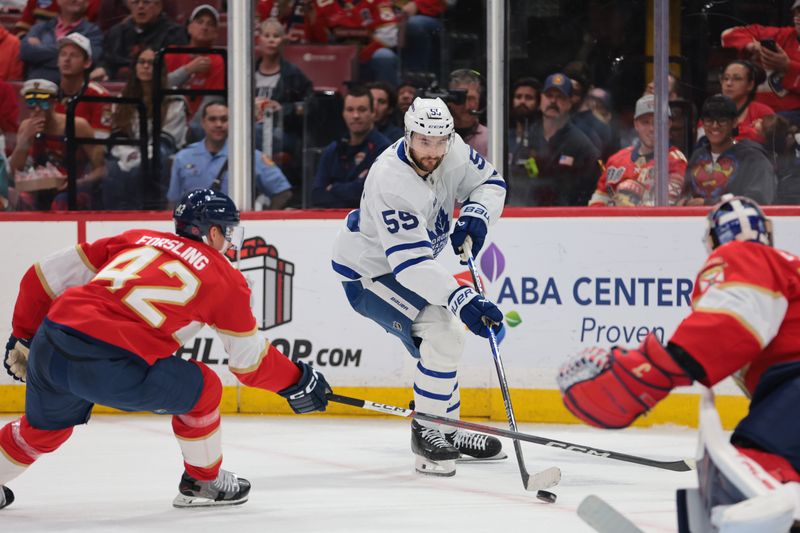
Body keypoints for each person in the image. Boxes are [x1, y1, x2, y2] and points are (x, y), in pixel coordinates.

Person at [0, 188, 332, 510]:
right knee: (204, 388)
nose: (230, 241)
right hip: (107, 364)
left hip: (51, 340)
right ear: (212, 232)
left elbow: (41, 276)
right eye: (228, 232)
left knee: (42, 431)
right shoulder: (225, 279)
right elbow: (251, 365)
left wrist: (24, 335)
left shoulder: (135, 239)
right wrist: (298, 380)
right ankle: (203, 481)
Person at [557, 194, 800, 527]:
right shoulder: (789, 267)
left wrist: (658, 368)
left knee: (752, 477)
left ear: (714, 239)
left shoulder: (745, 256)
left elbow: (735, 314)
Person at [330, 97, 507, 477]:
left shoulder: (452, 149)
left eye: (440, 141)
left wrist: (477, 215)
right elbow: (410, 266)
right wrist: (462, 298)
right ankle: (428, 433)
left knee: (448, 336)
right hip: (371, 274)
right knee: (444, 331)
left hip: (408, 266)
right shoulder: (391, 181)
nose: (432, 151)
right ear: (408, 135)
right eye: (423, 141)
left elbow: (491, 183)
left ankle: (449, 429)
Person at [167, 101, 293, 209]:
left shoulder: (249, 156)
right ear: (203, 123)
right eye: (212, 119)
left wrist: (263, 220)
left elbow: (283, 192)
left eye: (224, 119)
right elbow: (173, 201)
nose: (218, 125)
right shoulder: (183, 158)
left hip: (236, 230)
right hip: (193, 230)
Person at [104, 46, 188, 210]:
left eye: (151, 63)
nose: (145, 66)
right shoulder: (123, 99)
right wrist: (129, 156)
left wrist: (139, 156)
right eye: (141, 62)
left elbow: (167, 141)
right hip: (127, 154)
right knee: (111, 173)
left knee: (143, 170)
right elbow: (118, 136)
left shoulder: (174, 100)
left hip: (161, 153)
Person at [8, 78, 104, 210]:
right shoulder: (26, 127)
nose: (36, 109)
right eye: (31, 102)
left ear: (54, 103)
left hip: (75, 187)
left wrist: (77, 183)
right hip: (40, 187)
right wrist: (24, 141)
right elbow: (14, 172)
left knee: (61, 202)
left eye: (43, 103)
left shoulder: (77, 126)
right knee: (16, 197)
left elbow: (102, 169)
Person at [589, 94, 687, 206]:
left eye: (657, 122)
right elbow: (598, 201)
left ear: (668, 124)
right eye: (645, 122)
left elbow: (664, 206)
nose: (652, 129)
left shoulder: (675, 161)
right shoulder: (616, 160)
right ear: (636, 124)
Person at [685, 95, 776, 206]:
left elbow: (758, 199)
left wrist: (708, 203)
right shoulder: (698, 156)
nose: (714, 126)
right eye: (709, 120)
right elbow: (685, 195)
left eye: (721, 120)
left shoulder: (753, 157)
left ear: (734, 122)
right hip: (695, 222)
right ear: (702, 123)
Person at [527, 72, 601, 206]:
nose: (553, 101)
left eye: (560, 97)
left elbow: (592, 190)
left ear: (569, 103)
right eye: (549, 96)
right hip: (528, 214)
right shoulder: (528, 138)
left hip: (567, 218)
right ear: (541, 99)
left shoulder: (581, 144)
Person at [311, 87, 390, 208]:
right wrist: (355, 186)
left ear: (373, 113)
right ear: (343, 113)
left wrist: (334, 188)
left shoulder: (385, 150)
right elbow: (317, 195)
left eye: (362, 109)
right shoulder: (333, 150)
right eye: (350, 110)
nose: (356, 115)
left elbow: (371, 194)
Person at [721, 1, 800, 117]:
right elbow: (728, 34)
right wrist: (752, 46)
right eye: (798, 12)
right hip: (754, 115)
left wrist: (787, 66)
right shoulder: (781, 35)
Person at [92, 0, 187, 81]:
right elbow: (106, 61)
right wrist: (103, 69)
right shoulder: (116, 32)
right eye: (136, 2)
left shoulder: (174, 33)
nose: (140, 6)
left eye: (146, 2)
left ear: (158, 7)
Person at [165, 4, 225, 120]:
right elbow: (159, 86)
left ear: (216, 33)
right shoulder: (171, 54)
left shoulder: (218, 60)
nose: (204, 27)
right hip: (167, 120)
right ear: (189, 28)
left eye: (210, 24)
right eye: (200, 22)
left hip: (198, 126)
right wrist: (187, 70)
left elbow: (212, 101)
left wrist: (191, 129)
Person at [19, 0, 102, 83]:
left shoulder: (93, 32)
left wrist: (41, 49)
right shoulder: (40, 28)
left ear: (87, 3)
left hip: (71, 87)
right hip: (35, 86)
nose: (74, 0)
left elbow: (90, 58)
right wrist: (73, 52)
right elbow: (25, 52)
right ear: (58, 1)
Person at [696, 60, 774, 144]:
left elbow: (773, 143)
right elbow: (702, 141)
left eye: (737, 79)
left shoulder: (763, 112)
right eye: (725, 78)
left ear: (750, 85)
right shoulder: (710, 111)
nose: (729, 83)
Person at [53, 32, 111, 138]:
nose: (67, 59)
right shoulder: (49, 93)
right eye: (63, 54)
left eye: (74, 55)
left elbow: (100, 141)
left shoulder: (100, 95)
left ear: (87, 63)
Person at [447, 69, 488, 156]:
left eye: (471, 98)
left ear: (480, 100)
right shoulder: (437, 136)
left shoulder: (491, 140)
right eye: (460, 99)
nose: (466, 105)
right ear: (449, 100)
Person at [13, 0, 101, 38]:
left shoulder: (94, 3)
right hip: (38, 62)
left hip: (77, 62)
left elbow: (94, 39)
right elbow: (21, 31)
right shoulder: (36, 2)